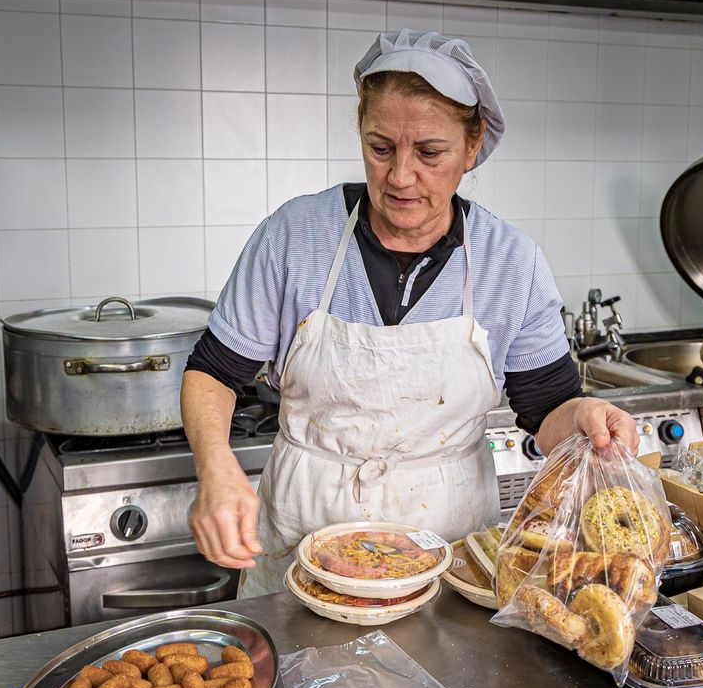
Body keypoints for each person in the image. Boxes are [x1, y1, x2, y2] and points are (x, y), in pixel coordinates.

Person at [183, 29, 638, 596]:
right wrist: (215, 463)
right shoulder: (295, 236)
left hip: (446, 544)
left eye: (429, 152)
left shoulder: (509, 261)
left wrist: (586, 417)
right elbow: (214, 371)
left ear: (473, 148)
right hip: (304, 535)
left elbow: (548, 408)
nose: (400, 176)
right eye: (380, 148)